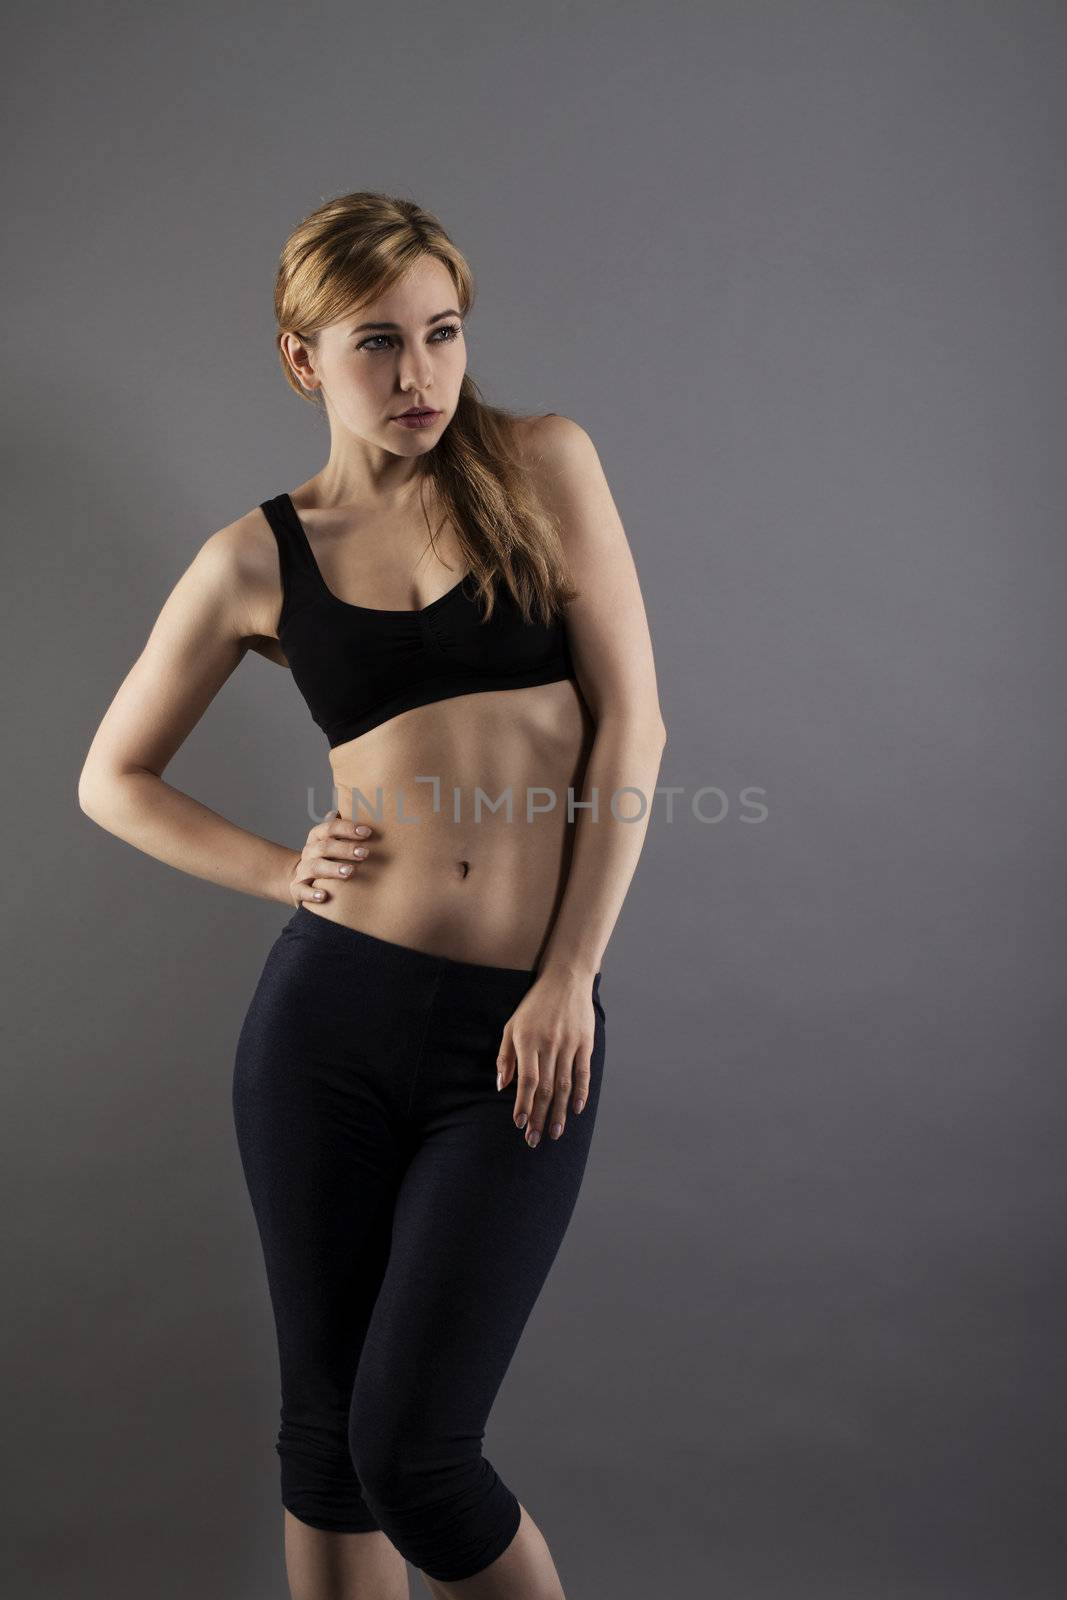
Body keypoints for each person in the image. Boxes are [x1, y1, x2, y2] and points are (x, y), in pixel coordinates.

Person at [78, 190, 667, 1600]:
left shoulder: (543, 464)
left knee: (417, 1450)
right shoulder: (254, 558)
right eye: (377, 344)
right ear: (303, 360)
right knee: (327, 1449)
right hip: (326, 1026)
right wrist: (285, 871)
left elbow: (635, 728)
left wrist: (568, 977)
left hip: (517, 1032)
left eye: (443, 335)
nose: (419, 377)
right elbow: (113, 779)